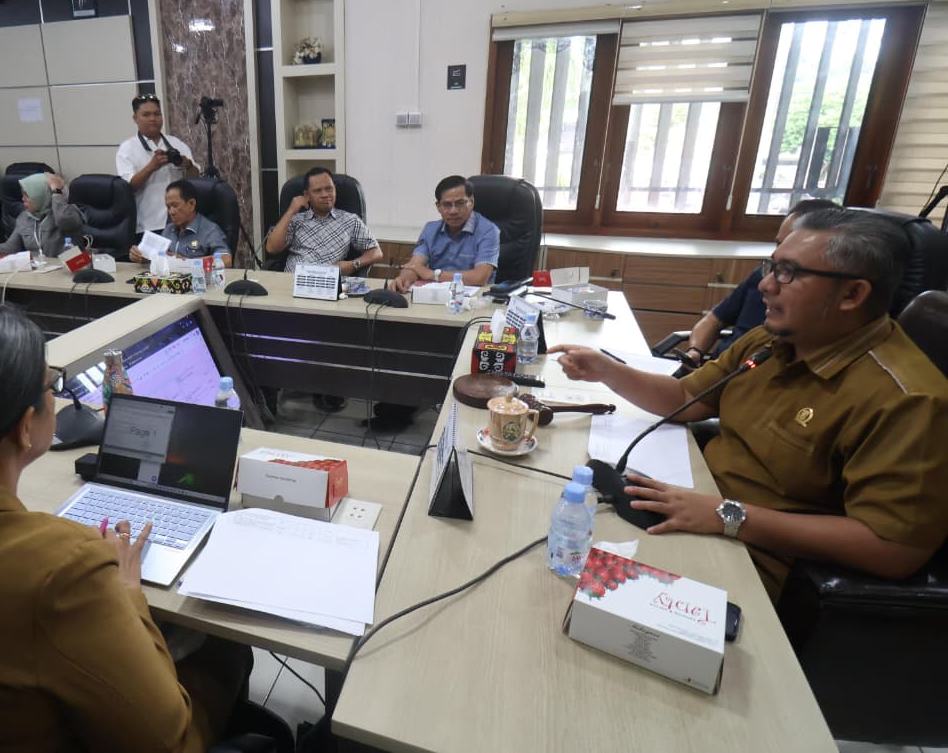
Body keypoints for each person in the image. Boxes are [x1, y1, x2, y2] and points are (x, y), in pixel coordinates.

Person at [0, 303, 252, 750]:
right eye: (49, 386)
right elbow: (168, 743)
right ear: (24, 428)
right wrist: (127, 591)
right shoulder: (63, 567)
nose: (55, 395)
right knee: (224, 648)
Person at [551, 208, 948, 600]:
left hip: (749, 558)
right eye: (769, 267)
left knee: (560, 596)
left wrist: (728, 515)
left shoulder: (908, 401)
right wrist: (607, 371)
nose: (765, 286)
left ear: (852, 294)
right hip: (692, 500)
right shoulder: (771, 341)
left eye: (788, 273)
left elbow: (894, 549)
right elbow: (687, 397)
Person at [678, 198, 836, 367]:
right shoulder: (763, 274)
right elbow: (715, 318)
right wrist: (695, 351)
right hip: (716, 372)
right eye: (777, 244)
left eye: (788, 245)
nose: (765, 285)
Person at [392, 175, 500, 293]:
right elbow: (414, 266)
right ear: (439, 207)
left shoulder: (488, 231)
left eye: (460, 203)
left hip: (473, 299)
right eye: (447, 205)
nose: (453, 211)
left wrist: (432, 274)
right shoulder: (430, 229)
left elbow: (480, 277)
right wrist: (404, 278)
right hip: (435, 296)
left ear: (472, 202)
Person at [265, 167, 383, 275]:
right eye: (317, 191)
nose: (325, 195)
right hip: (292, 282)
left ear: (334, 189)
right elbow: (272, 248)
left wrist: (353, 264)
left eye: (329, 189)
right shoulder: (295, 219)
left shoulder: (350, 220)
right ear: (307, 195)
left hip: (326, 285)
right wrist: (291, 211)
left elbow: (376, 252)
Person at [116, 94, 199, 233]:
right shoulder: (127, 149)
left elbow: (196, 179)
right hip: (147, 225)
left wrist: (187, 165)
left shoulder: (176, 143)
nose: (153, 119)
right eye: (146, 115)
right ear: (135, 118)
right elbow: (128, 187)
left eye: (157, 114)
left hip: (182, 223)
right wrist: (151, 167)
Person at [129, 179, 232, 268]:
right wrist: (144, 256)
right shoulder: (169, 229)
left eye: (175, 205)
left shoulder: (210, 230)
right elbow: (161, 257)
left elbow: (226, 260)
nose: (171, 212)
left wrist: (186, 263)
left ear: (192, 204)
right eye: (168, 207)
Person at [0, 172, 82, 260]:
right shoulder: (24, 217)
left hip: (66, 271)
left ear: (41, 195)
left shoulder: (68, 212)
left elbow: (63, 219)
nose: (23, 199)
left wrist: (56, 191)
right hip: (38, 272)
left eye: (27, 195)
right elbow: (11, 246)